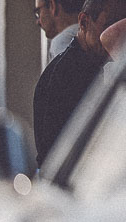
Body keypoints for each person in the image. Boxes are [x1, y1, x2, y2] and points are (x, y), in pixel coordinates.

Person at [33, 0, 126, 167]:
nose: (116, 36)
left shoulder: (87, 66)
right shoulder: (68, 75)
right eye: (109, 25)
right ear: (83, 22)